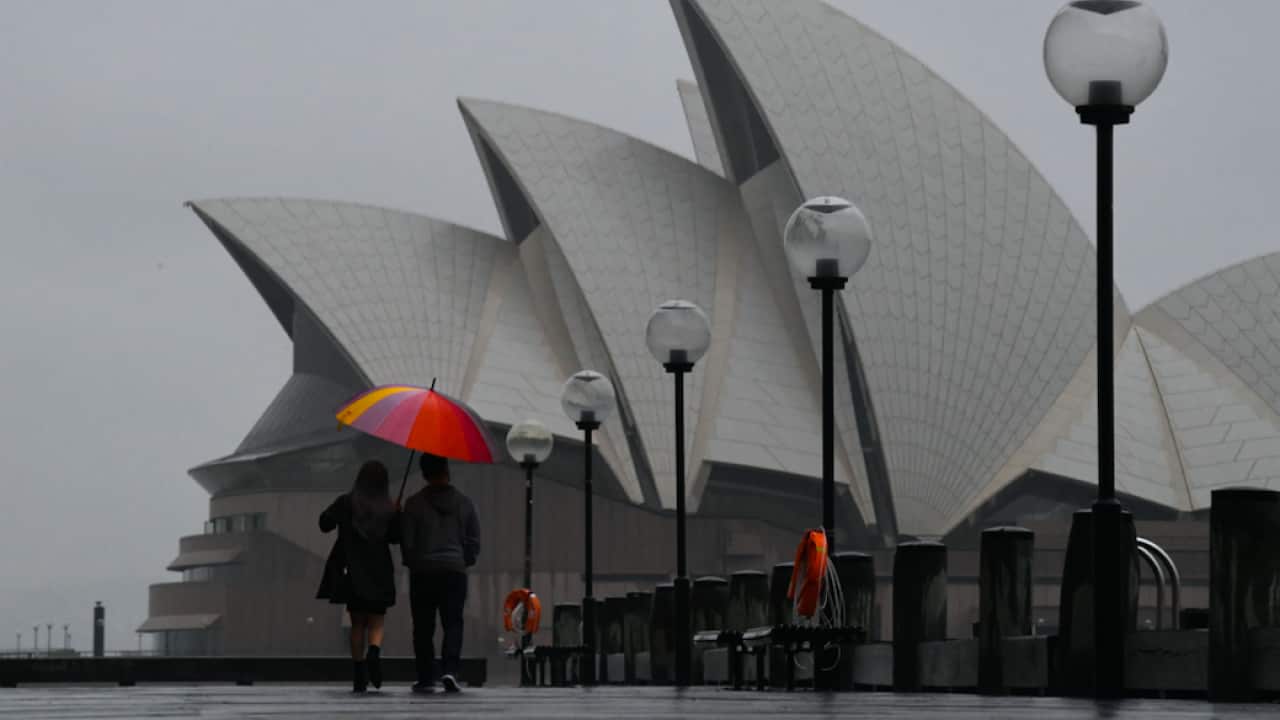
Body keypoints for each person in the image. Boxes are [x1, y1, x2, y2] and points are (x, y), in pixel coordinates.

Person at [317, 460, 400, 693]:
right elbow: (395, 537)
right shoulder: (388, 507)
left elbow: (324, 523)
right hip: (380, 569)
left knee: (357, 623)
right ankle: (374, 651)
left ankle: (358, 673)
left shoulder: (346, 502)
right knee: (376, 621)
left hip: (353, 569)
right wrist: (396, 514)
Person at [401, 452, 481, 694]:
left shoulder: (413, 504)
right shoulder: (465, 503)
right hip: (454, 572)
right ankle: (450, 670)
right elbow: (473, 541)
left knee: (423, 626)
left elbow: (407, 542)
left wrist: (413, 562)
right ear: (447, 470)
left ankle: (426, 676)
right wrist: (462, 560)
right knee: (453, 622)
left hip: (423, 572)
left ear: (424, 474)